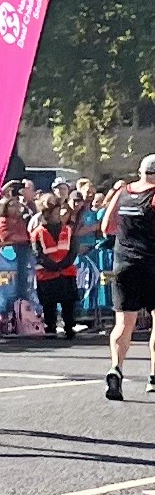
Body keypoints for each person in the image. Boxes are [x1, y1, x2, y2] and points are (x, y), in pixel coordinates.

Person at [101, 154, 155, 401]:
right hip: (151, 263)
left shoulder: (122, 191)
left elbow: (107, 228)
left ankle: (116, 367)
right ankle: (153, 377)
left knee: (123, 323)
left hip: (124, 264)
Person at [34, 199, 80, 338]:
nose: (57, 215)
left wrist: (63, 264)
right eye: (53, 212)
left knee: (69, 302)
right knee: (49, 304)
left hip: (67, 272)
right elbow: (38, 253)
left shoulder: (68, 230)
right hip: (47, 274)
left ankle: (69, 327)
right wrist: (53, 266)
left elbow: (73, 250)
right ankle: (50, 327)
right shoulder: (37, 233)